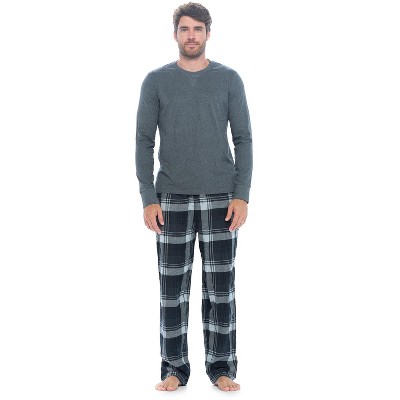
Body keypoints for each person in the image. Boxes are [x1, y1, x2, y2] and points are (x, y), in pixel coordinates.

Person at [135, 2, 253, 392]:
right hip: (170, 199)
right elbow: (143, 141)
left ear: (208, 34)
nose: (191, 36)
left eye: (198, 29)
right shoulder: (156, 81)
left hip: (222, 199)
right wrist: (148, 197)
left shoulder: (229, 80)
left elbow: (243, 139)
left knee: (221, 290)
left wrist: (242, 194)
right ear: (175, 34)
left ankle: (221, 367)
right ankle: (174, 368)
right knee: (173, 291)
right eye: (185, 29)